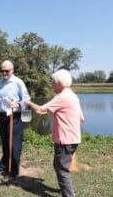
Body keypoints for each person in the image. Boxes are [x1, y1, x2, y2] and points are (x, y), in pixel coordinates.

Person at [26, 69, 84, 197]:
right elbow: (81, 118)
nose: (52, 85)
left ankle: (69, 194)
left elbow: (41, 110)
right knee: (59, 165)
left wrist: (28, 102)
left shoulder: (62, 97)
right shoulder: (73, 96)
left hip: (65, 140)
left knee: (62, 169)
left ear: (59, 83)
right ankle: (67, 190)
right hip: (73, 139)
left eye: (53, 82)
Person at [0, 60, 30, 177]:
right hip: (3, 117)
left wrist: (18, 104)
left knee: (14, 144)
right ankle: (4, 166)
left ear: (12, 70)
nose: (4, 73)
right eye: (2, 71)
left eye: (7, 71)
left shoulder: (18, 83)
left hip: (15, 117)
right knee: (5, 143)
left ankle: (14, 170)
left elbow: (27, 100)